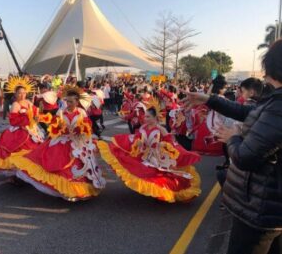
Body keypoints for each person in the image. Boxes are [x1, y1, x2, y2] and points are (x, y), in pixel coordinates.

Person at [182, 40, 282, 254]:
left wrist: (233, 138)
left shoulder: (279, 106)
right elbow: (249, 113)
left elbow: (246, 157)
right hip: (265, 207)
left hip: (260, 210)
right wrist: (210, 99)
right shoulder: (274, 101)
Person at [11, 86, 106, 201]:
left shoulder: (82, 112)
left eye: (71, 101)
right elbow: (53, 127)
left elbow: (88, 127)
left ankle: (80, 189)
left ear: (77, 101)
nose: (69, 104)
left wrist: (79, 130)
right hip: (63, 141)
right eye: (67, 101)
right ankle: (62, 189)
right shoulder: (61, 112)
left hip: (78, 142)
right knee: (57, 162)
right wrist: (60, 128)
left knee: (80, 164)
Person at [97, 104, 201, 203]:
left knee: (159, 177)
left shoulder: (161, 129)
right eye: (145, 116)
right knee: (140, 171)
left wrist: (164, 146)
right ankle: (155, 192)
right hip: (145, 155)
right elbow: (136, 138)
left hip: (157, 157)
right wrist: (136, 142)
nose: (145, 118)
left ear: (154, 117)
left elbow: (171, 143)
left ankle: (164, 192)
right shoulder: (143, 128)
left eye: (147, 116)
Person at [0, 77, 45, 175]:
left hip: (32, 131)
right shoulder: (16, 105)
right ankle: (17, 174)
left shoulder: (28, 102)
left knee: (33, 153)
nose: (22, 95)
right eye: (20, 93)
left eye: (24, 93)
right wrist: (28, 120)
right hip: (20, 132)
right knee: (20, 154)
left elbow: (35, 112)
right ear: (15, 94)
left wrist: (37, 115)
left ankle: (29, 173)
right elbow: (13, 121)